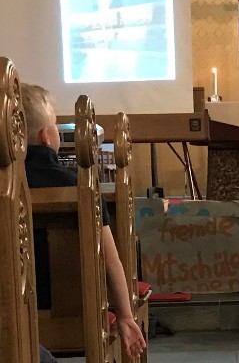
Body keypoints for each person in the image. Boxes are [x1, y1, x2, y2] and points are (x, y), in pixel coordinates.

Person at [22, 84, 146, 361]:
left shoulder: (7, 189)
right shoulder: (79, 186)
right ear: (46, 136)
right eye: (55, 124)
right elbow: (110, 259)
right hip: (76, 314)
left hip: (14, 312)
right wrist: (125, 316)